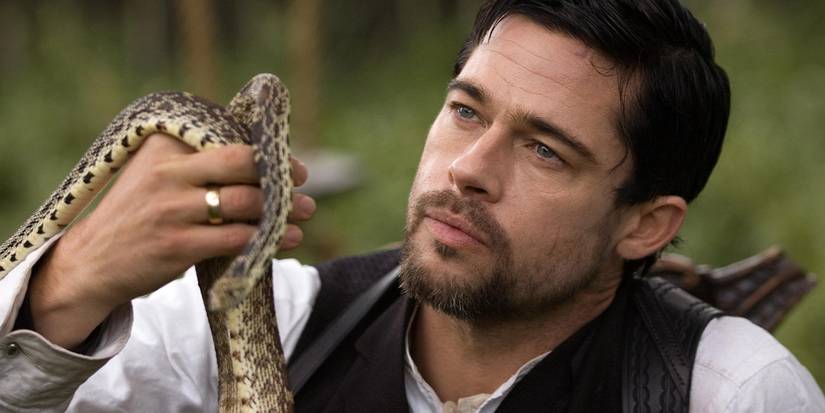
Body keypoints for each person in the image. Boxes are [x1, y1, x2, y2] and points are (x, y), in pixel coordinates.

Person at [1, 0, 823, 411]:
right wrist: (67, 282)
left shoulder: (723, 388)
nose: (468, 169)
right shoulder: (276, 317)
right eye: (466, 111)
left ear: (645, 221)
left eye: (544, 149)